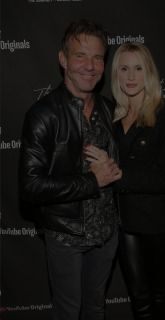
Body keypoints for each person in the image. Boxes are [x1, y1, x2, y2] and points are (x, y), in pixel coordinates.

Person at [18, 19, 121, 320]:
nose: (90, 66)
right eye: (80, 55)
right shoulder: (43, 115)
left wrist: (114, 170)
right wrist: (92, 181)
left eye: (98, 57)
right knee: (67, 312)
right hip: (65, 235)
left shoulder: (108, 108)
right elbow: (30, 187)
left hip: (106, 233)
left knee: (95, 309)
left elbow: (116, 170)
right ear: (63, 60)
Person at [85, 42, 165, 319]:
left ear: (149, 73)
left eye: (138, 68)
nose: (131, 76)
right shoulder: (110, 118)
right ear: (115, 74)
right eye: (124, 69)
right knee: (139, 300)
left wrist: (116, 173)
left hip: (158, 224)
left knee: (158, 295)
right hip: (124, 224)